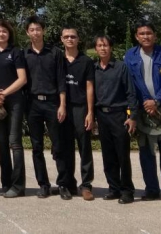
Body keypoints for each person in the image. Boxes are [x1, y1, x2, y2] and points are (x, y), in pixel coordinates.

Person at [124, 21, 161, 203]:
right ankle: (152, 188)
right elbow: (132, 83)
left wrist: (156, 101)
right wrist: (147, 103)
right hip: (143, 112)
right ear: (136, 37)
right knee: (146, 152)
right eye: (142, 33)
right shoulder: (130, 56)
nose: (146, 36)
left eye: (149, 33)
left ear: (155, 35)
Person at [23, 15, 68, 199]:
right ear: (27, 32)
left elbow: (61, 80)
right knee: (36, 146)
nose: (35, 32)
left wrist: (62, 104)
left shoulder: (55, 53)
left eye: (38, 29)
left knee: (59, 145)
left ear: (43, 30)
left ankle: (63, 184)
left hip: (52, 103)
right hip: (32, 104)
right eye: (32, 29)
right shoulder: (23, 54)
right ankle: (43, 184)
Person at [93, 35, 138, 204]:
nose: (103, 48)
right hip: (101, 115)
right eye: (99, 45)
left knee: (122, 155)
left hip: (118, 115)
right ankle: (113, 188)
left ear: (111, 48)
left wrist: (132, 116)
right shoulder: (94, 68)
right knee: (108, 154)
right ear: (96, 49)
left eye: (106, 45)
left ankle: (127, 190)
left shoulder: (121, 67)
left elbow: (130, 93)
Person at [0, 18, 27, 198]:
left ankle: (18, 185)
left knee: (14, 143)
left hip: (14, 101)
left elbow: (22, 79)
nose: (1, 34)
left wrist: (3, 94)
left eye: (4, 31)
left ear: (9, 33)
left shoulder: (16, 52)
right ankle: (6, 182)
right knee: (2, 143)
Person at [59, 26, 96, 201]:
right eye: (66, 36)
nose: (70, 39)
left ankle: (86, 184)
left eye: (73, 36)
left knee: (84, 147)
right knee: (66, 148)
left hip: (81, 107)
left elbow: (89, 88)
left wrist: (90, 112)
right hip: (64, 107)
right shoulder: (58, 60)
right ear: (62, 39)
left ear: (78, 39)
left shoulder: (86, 61)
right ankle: (68, 183)